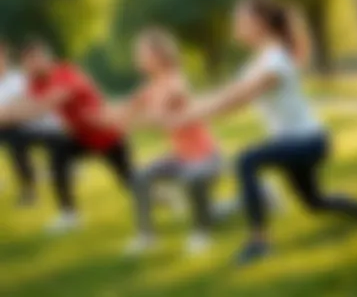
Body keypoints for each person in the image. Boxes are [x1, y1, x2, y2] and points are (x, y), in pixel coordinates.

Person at [167, 0, 357, 265]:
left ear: (259, 22)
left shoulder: (275, 59)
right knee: (315, 202)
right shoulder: (259, 60)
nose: (235, 23)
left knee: (247, 160)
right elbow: (228, 93)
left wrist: (187, 116)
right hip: (296, 142)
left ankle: (259, 242)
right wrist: (187, 110)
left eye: (240, 18)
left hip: (308, 141)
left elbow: (237, 99)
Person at [0, 39, 133, 233]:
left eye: (35, 59)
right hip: (79, 137)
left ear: (46, 57)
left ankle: (160, 197)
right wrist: (8, 113)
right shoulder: (36, 84)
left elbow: (45, 105)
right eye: (28, 62)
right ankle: (69, 215)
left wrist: (8, 115)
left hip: (105, 134)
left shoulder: (65, 73)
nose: (32, 65)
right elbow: (24, 104)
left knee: (129, 181)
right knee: (58, 158)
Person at [118, 28, 222, 255]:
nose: (137, 58)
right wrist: (98, 116)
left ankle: (201, 235)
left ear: (159, 55)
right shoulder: (151, 85)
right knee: (139, 177)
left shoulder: (176, 81)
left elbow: (160, 114)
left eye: (142, 53)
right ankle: (146, 238)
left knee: (194, 182)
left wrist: (135, 119)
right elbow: (125, 109)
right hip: (182, 157)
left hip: (205, 156)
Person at [0, 40, 63, 206]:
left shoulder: (19, 80)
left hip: (31, 126)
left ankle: (29, 190)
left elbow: (27, 107)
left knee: (14, 138)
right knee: (12, 137)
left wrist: (11, 114)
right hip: (9, 128)